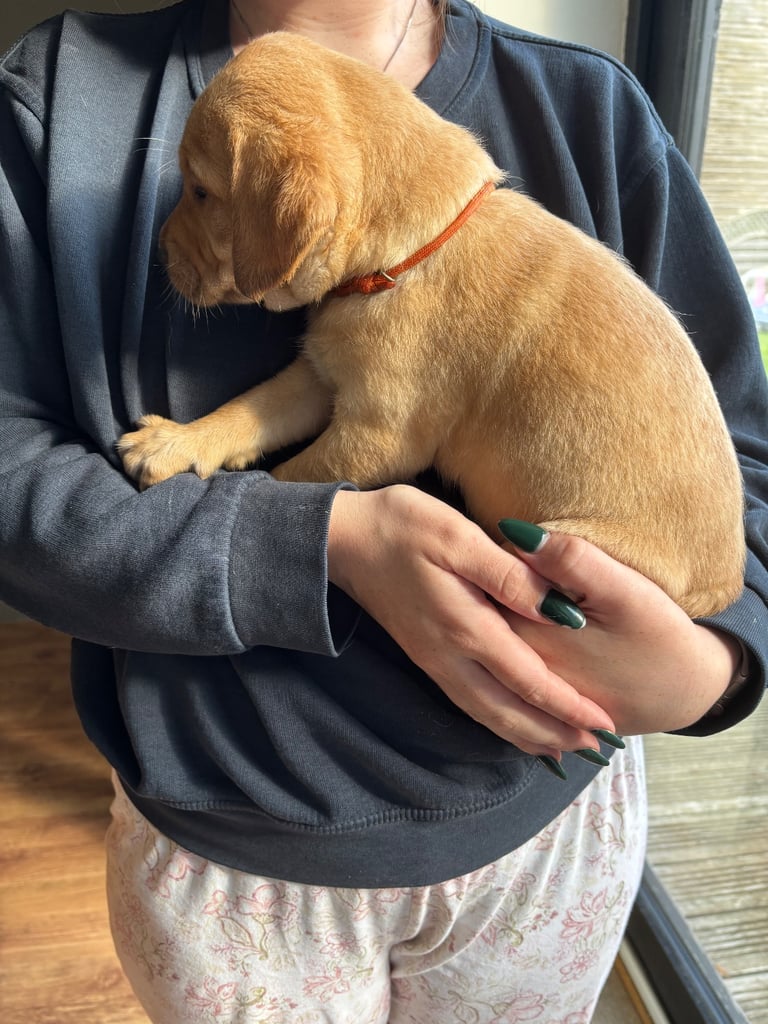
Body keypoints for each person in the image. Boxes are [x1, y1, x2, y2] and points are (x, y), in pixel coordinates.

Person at [1, 0, 766, 1020]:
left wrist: (706, 673)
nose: (170, 229)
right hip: (236, 863)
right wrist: (317, 541)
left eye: (199, 196)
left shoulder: (591, 110)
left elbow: (744, 462)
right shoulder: (55, 99)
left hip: (546, 834)